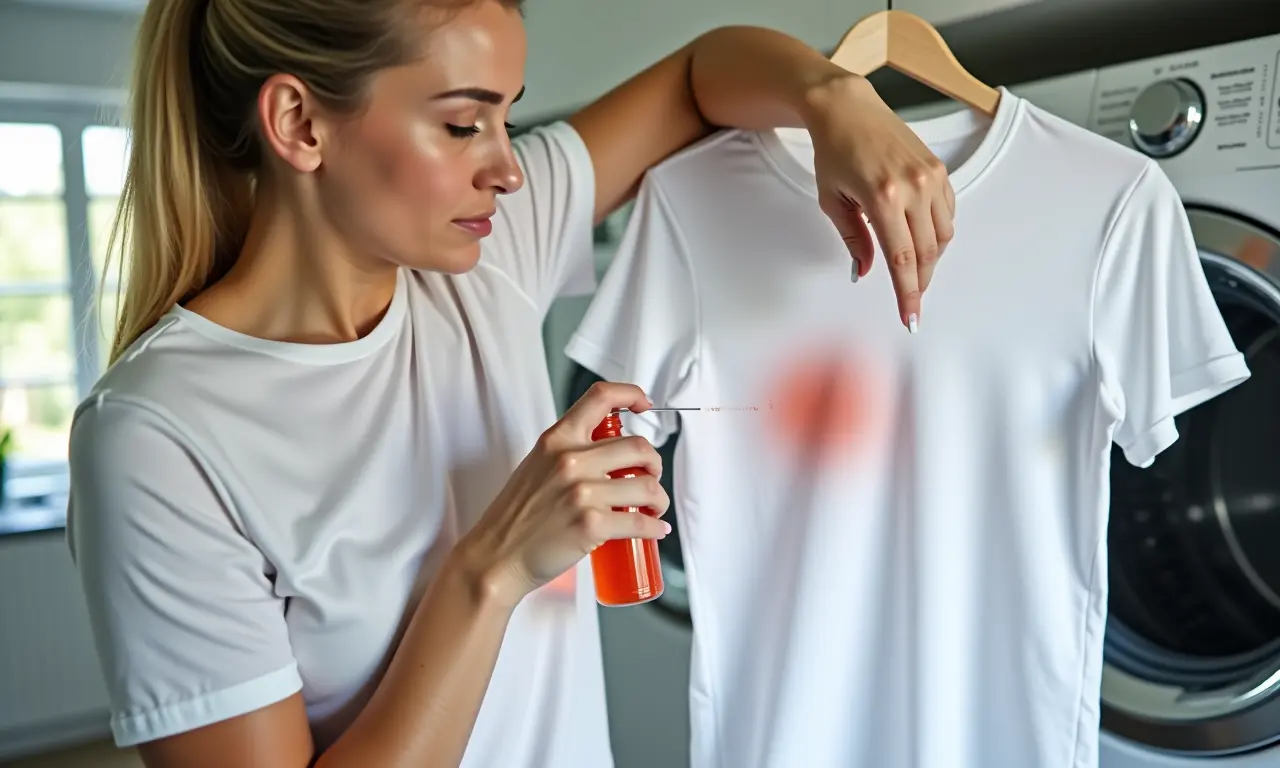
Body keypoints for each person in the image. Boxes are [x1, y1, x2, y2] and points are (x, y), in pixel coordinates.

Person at [66, 0, 955, 766]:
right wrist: (491, 571)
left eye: (507, 117)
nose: (510, 166)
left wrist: (833, 100)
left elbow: (696, 79)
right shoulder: (156, 437)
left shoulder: (484, 257)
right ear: (300, 123)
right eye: (463, 124)